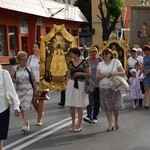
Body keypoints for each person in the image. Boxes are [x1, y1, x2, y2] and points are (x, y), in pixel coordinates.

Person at [95, 48, 125, 132]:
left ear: (111, 54)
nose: (104, 55)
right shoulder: (100, 64)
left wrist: (113, 73)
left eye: (106, 54)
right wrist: (105, 75)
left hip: (114, 87)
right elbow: (97, 76)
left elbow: (123, 72)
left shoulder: (116, 62)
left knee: (115, 105)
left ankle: (116, 120)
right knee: (107, 106)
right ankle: (110, 124)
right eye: (103, 54)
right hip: (104, 87)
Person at [65, 47, 92, 132]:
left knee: (79, 105)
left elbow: (89, 73)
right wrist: (66, 84)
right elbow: (68, 73)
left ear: (76, 53)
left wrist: (80, 73)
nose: (70, 55)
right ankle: (73, 122)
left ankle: (79, 124)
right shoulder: (71, 62)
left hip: (81, 83)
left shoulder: (84, 62)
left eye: (71, 53)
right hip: (71, 83)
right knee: (71, 105)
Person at [10, 51, 37, 133]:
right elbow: (10, 78)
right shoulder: (15, 68)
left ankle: (24, 124)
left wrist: (35, 91)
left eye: (26, 59)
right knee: (22, 107)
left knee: (27, 106)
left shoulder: (29, 68)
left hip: (28, 89)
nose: (25, 61)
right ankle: (26, 121)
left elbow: (33, 79)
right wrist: (15, 80)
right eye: (23, 59)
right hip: (19, 89)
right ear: (19, 60)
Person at [0, 65, 20, 150]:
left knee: (0, 136)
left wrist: (16, 106)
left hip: (2, 108)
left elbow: (11, 90)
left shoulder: (4, 73)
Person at [27, 42, 45, 126]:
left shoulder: (43, 58)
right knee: (33, 100)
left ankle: (39, 118)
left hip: (42, 82)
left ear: (39, 48)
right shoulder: (30, 58)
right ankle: (40, 112)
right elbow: (27, 69)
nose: (34, 48)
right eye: (33, 47)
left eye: (35, 47)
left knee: (41, 100)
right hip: (32, 83)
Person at [83, 46, 102, 124]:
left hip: (98, 83)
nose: (92, 55)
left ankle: (95, 116)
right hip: (89, 83)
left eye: (94, 54)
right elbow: (83, 69)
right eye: (91, 53)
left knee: (97, 101)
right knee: (89, 100)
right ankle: (89, 116)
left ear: (97, 53)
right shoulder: (86, 60)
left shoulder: (100, 60)